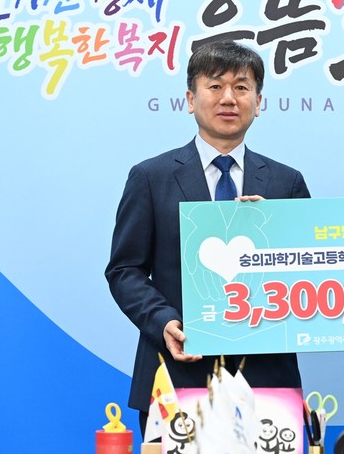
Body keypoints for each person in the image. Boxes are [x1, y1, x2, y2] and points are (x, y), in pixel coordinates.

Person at [105, 40, 311, 436]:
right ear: (190, 98)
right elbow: (125, 270)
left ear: (258, 101)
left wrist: (274, 229)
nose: (228, 98)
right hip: (176, 372)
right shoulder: (150, 177)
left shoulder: (286, 183)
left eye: (241, 87)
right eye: (215, 86)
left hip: (267, 380)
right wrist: (164, 322)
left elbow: (308, 272)